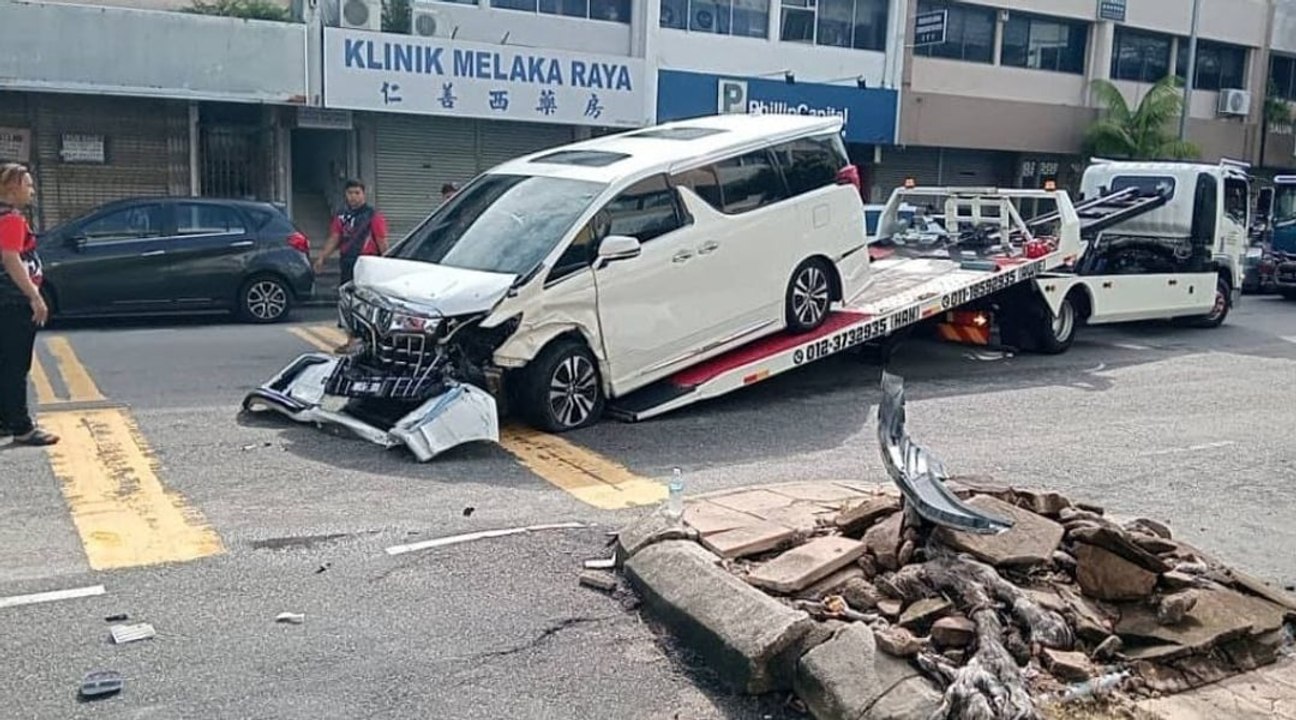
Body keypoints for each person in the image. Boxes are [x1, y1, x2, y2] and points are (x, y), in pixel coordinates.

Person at [0, 163, 58, 446]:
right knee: (15, 365)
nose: (32, 191)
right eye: (29, 185)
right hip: (12, 300)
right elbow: (11, 259)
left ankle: (5, 420)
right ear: (13, 188)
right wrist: (34, 296)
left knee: (4, 363)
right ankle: (22, 427)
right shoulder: (10, 219)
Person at [313, 180, 388, 352]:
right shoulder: (342, 216)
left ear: (364, 193)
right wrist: (322, 257)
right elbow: (334, 237)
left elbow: (382, 241)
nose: (353, 197)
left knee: (367, 302)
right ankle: (351, 340)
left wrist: (387, 263)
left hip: (368, 264)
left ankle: (372, 340)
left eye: (357, 193)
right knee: (347, 302)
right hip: (347, 262)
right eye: (350, 193)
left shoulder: (373, 216)